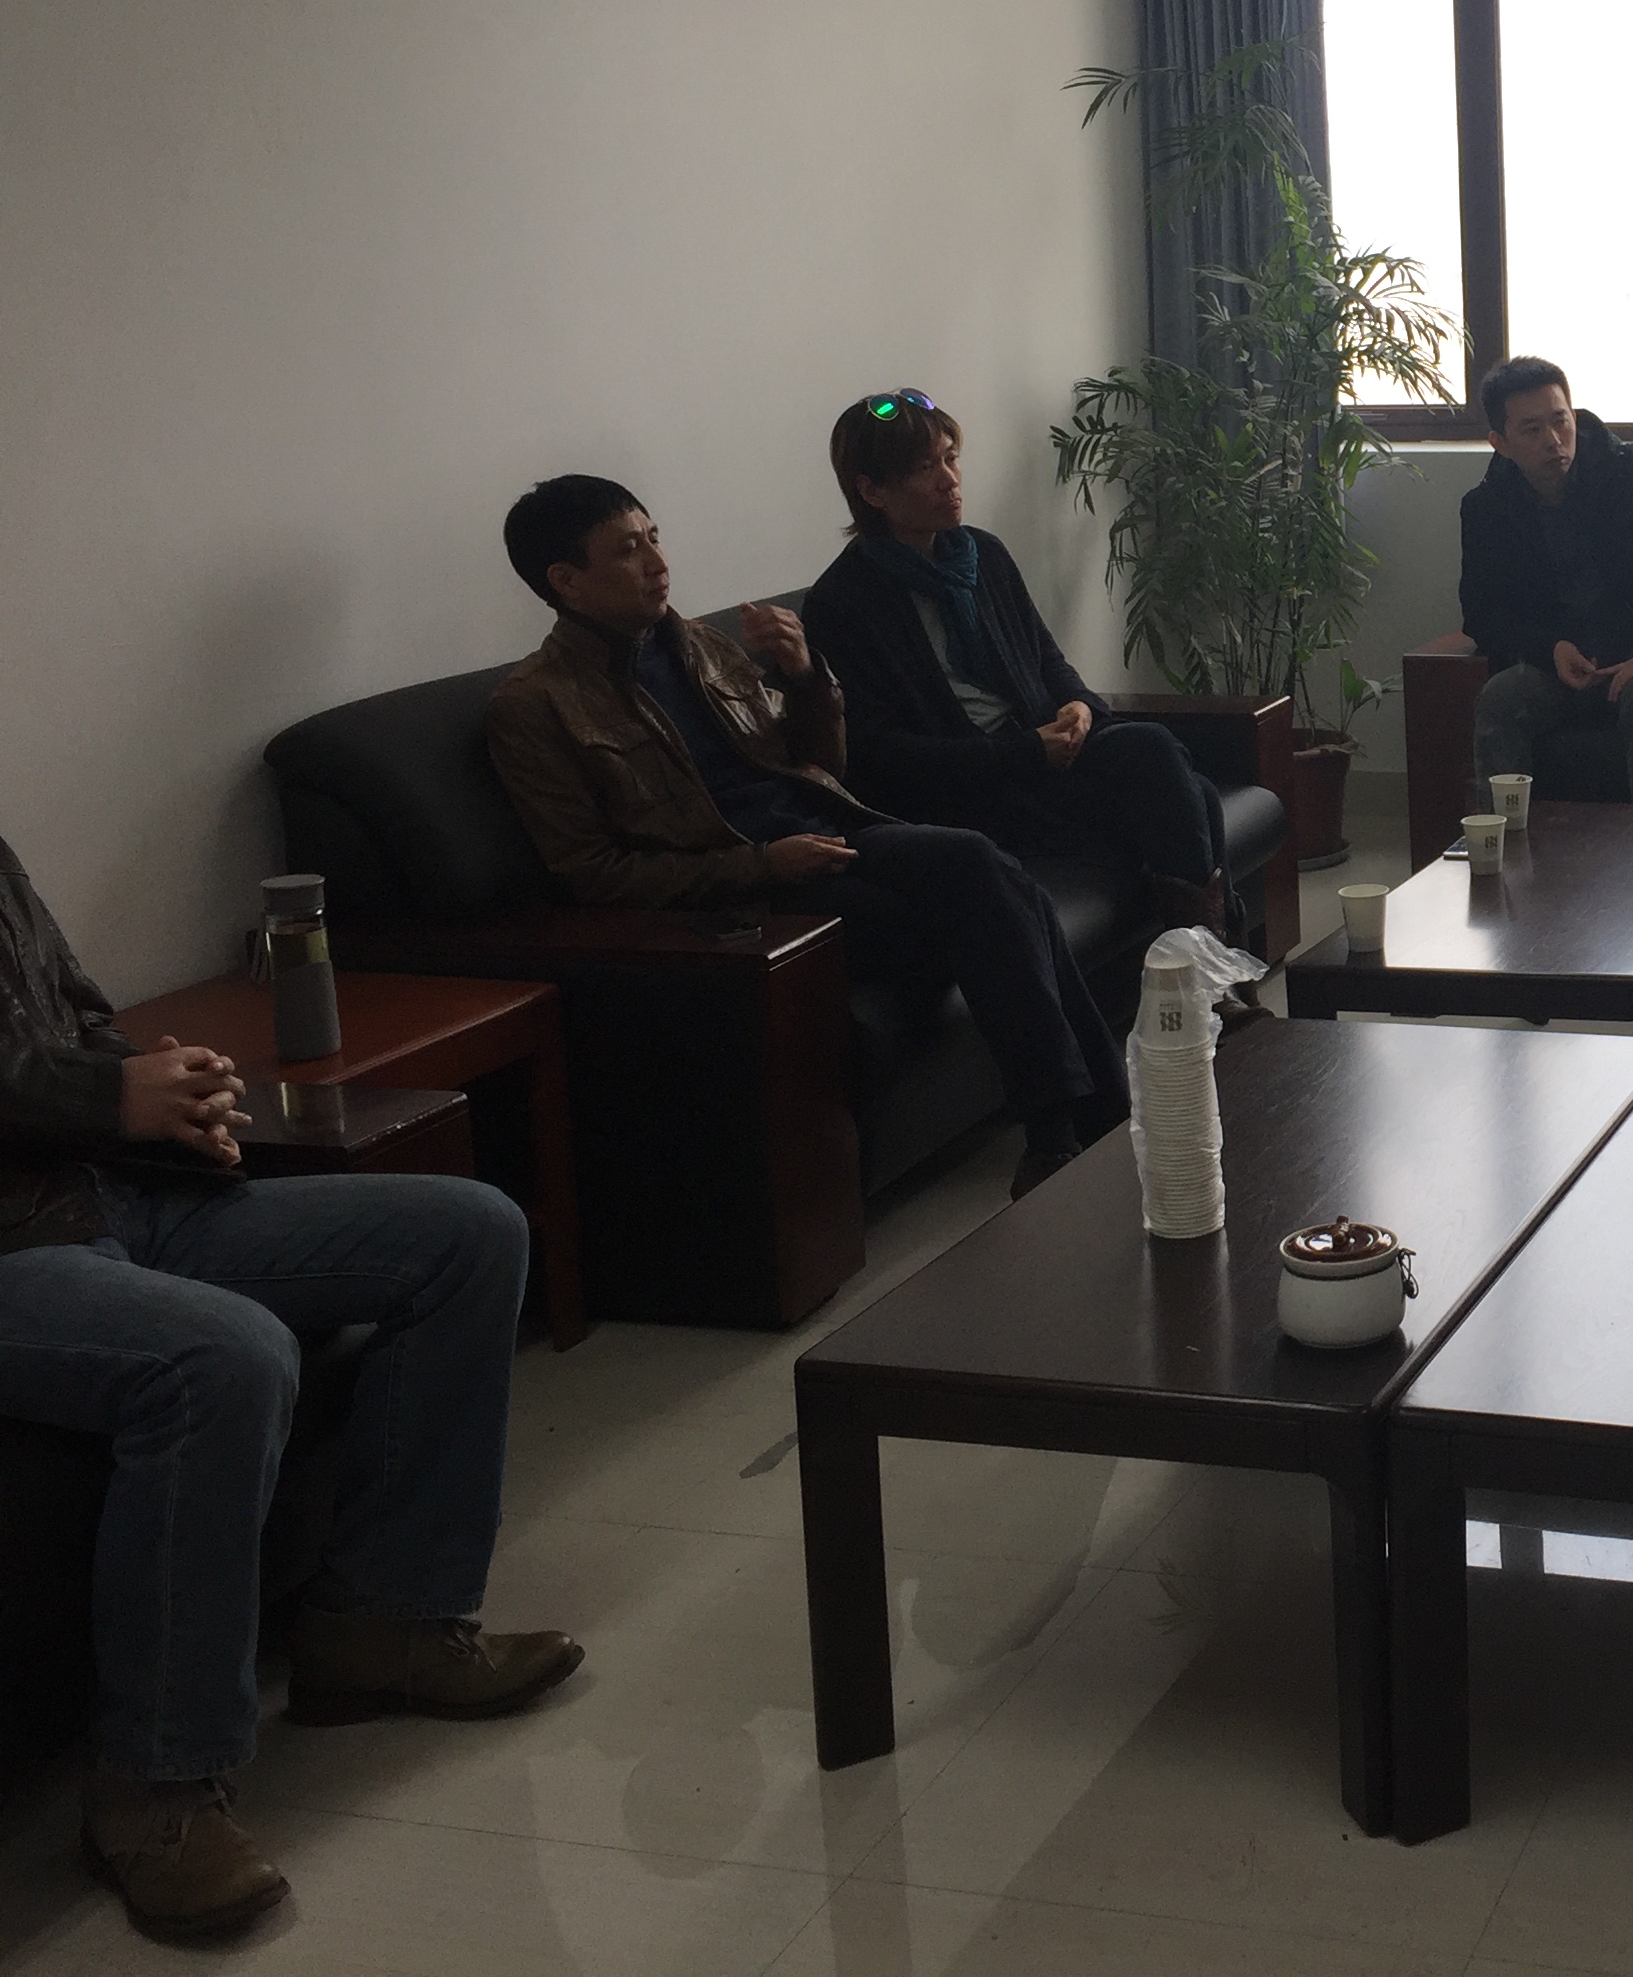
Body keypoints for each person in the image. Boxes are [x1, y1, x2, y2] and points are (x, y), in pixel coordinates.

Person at [0, 836, 577, 1944]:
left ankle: (385, 1623)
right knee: (226, 1358)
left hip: (112, 1192)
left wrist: (174, 1089)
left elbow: (76, 1016)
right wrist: (108, 1095)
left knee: (470, 1234)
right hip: (17, 1245)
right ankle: (154, 1789)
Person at [485, 475, 1127, 1198]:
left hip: (832, 835)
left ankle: (1064, 1133)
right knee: (1000, 893)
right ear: (566, 580)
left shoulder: (702, 645)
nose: (659, 563)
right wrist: (760, 864)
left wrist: (804, 676)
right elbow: (593, 873)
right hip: (748, 899)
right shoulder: (535, 707)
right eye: (629, 550)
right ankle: (1078, 1125)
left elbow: (819, 766)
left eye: (654, 538)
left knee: (981, 865)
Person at [799, 388, 1235, 936]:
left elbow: (1048, 661)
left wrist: (1079, 706)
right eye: (925, 468)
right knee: (1184, 791)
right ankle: (1209, 969)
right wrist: (1026, 752)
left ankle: (1199, 967)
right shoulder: (843, 603)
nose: (950, 480)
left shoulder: (983, 556)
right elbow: (882, 756)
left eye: (951, 458)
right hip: (973, 790)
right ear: (872, 491)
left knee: (1163, 762)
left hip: (1040, 757)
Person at [1455, 356, 1633, 808]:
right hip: (1554, 665)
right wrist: (1549, 648)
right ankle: (1504, 842)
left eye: (1561, 421)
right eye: (1532, 429)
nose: (1553, 440)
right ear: (1500, 443)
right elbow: (1480, 612)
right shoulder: (1485, 507)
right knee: (1500, 699)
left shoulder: (1625, 470)